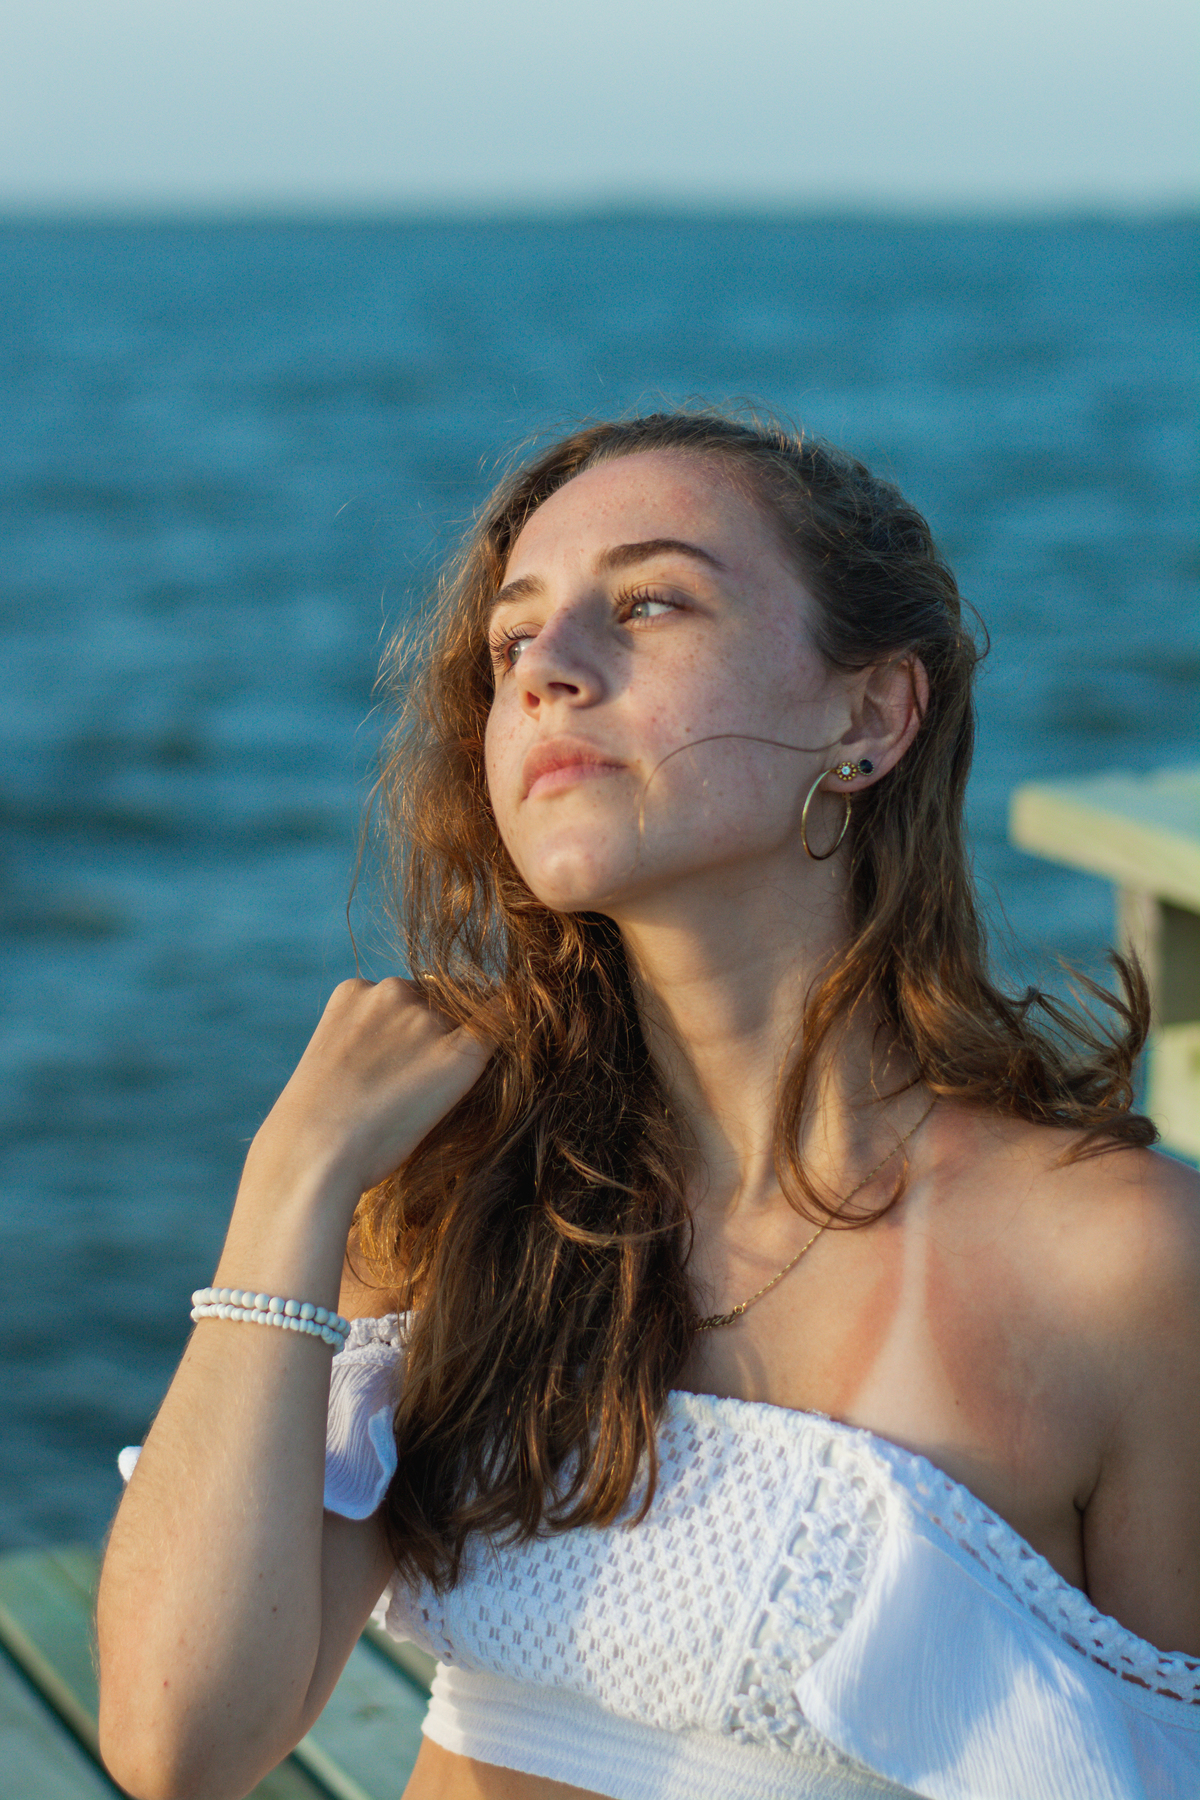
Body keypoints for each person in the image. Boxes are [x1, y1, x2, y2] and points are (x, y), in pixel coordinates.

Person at [96, 412, 1200, 1800]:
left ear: (869, 717)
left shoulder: (1120, 1262)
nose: (550, 671)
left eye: (650, 602)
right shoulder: (457, 1195)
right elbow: (176, 1743)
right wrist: (290, 1184)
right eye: (512, 645)